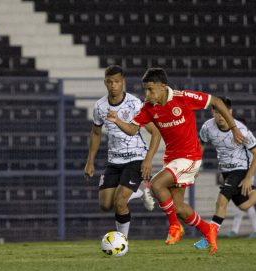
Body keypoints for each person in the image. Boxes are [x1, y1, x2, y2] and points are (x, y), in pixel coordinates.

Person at [106, 67, 245, 254]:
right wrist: (116, 121)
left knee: (156, 185)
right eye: (145, 89)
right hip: (172, 159)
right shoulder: (148, 108)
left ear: (163, 87)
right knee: (178, 207)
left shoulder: (183, 97)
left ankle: (174, 226)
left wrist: (234, 128)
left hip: (189, 157)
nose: (146, 94)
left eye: (150, 89)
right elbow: (132, 129)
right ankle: (208, 230)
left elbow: (217, 102)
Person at [193, 97, 256, 249]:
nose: (220, 116)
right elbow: (200, 145)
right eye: (217, 112)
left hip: (241, 170)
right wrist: (195, 166)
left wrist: (248, 177)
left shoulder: (241, 130)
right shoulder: (208, 127)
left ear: (230, 112)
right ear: (213, 112)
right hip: (226, 171)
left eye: (223, 112)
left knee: (221, 201)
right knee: (244, 204)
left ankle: (209, 238)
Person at [84, 65, 161, 238]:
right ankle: (139, 192)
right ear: (105, 83)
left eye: (117, 82)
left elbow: (153, 132)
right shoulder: (100, 106)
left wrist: (148, 160)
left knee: (120, 202)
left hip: (135, 158)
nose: (113, 85)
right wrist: (90, 161)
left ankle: (122, 240)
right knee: (105, 204)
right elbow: (96, 133)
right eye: (109, 82)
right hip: (114, 160)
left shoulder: (135, 104)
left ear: (123, 82)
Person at [227, 151, 256, 239]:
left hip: (249, 179)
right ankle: (238, 230)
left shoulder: (255, 150)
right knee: (243, 204)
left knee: (245, 203)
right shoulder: (244, 148)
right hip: (242, 178)